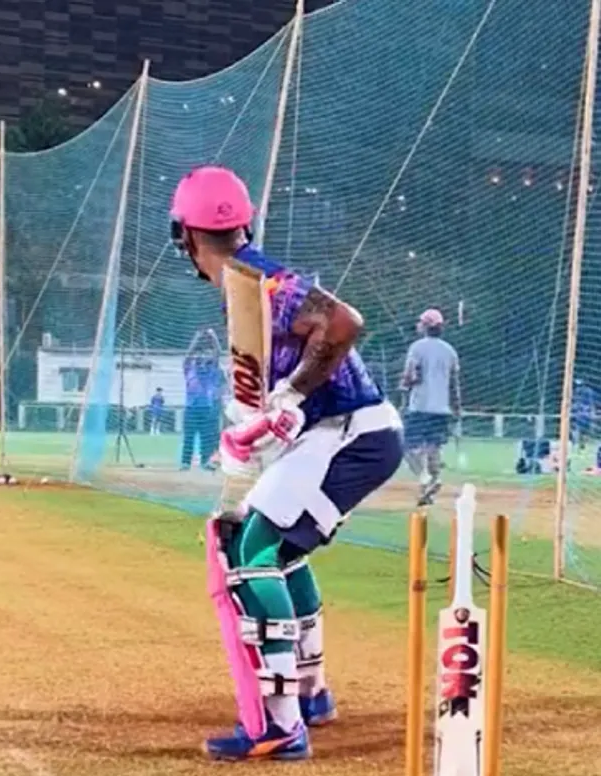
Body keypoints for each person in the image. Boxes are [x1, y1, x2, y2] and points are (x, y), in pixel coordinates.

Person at [171, 166, 402, 761]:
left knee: (251, 556)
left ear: (185, 237)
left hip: (350, 433)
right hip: (337, 434)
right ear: (243, 223)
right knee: (280, 550)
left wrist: (294, 393)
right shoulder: (244, 288)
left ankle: (280, 724)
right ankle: (311, 692)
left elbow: (345, 322)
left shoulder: (259, 283)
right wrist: (255, 427)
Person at [401, 308, 459, 504]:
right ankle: (432, 485)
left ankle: (424, 478)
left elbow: (412, 376)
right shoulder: (450, 351)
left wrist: (404, 384)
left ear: (425, 326)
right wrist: (457, 407)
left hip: (420, 405)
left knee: (407, 446)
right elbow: (453, 384)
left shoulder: (417, 348)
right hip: (441, 408)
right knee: (433, 447)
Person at [181, 329, 221, 469]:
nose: (201, 358)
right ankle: (185, 462)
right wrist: (196, 338)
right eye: (199, 356)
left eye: (204, 355)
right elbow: (188, 355)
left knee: (207, 439)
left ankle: (205, 462)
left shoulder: (211, 371)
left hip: (207, 409)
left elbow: (217, 353)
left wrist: (213, 336)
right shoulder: (189, 369)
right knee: (189, 437)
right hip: (191, 409)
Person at [570, 378, 598, 452]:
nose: (578, 387)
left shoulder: (588, 391)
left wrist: (592, 412)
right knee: (577, 429)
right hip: (579, 414)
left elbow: (592, 404)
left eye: (580, 385)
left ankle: (581, 445)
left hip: (584, 414)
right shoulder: (576, 392)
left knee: (583, 431)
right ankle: (577, 444)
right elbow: (574, 403)